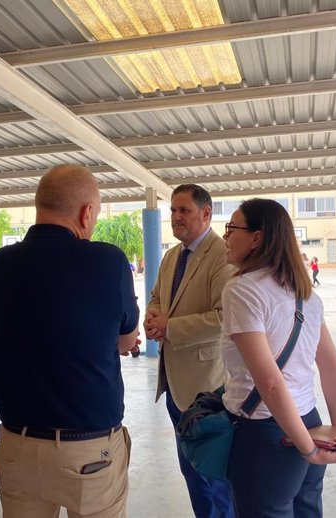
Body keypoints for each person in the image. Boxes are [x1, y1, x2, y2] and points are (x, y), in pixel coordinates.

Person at [0, 165, 139, 518]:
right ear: (87, 213)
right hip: (87, 449)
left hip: (16, 446)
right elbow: (127, 340)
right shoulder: (107, 261)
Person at [221, 199, 336, 517]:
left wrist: (309, 448)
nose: (225, 237)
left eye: (232, 228)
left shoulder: (242, 291)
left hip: (267, 436)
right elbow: (331, 366)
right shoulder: (306, 295)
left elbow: (270, 382)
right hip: (309, 422)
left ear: (256, 237)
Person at [145, 184, 236, 518]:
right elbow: (156, 297)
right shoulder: (172, 256)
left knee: (215, 476)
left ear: (206, 213)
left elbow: (225, 318)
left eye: (183, 210)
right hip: (174, 386)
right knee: (191, 472)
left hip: (207, 389)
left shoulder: (221, 255)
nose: (176, 217)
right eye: (172, 210)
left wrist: (170, 327)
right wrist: (153, 318)